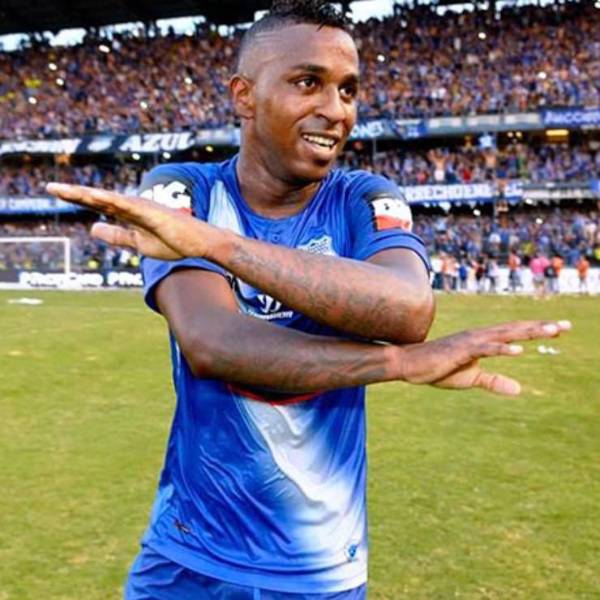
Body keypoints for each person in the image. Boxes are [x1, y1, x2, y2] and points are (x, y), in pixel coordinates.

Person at [46, 2, 570, 598]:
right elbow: (212, 343)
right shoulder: (183, 188)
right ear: (244, 96)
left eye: (348, 90)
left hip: (318, 567)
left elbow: (408, 310)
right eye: (307, 83)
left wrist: (216, 245)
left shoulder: (363, 197)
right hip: (187, 554)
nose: (336, 110)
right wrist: (397, 364)